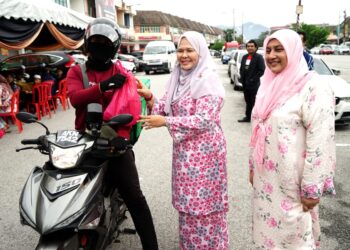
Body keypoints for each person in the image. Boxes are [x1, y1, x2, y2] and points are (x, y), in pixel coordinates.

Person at [66, 17, 158, 250]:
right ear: (87, 43)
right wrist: (102, 88)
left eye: (105, 42)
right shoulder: (77, 72)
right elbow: (75, 99)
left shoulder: (122, 72)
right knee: (69, 189)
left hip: (115, 141)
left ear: (114, 46)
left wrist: (147, 95)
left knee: (135, 197)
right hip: (84, 139)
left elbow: (134, 103)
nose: (99, 45)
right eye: (95, 41)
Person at [137, 31, 229, 249]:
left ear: (201, 52)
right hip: (185, 156)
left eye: (190, 50)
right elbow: (165, 109)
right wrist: (150, 97)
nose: (184, 55)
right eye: (180, 50)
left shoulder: (208, 79)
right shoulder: (177, 78)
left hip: (206, 156)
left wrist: (166, 122)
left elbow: (205, 119)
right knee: (188, 207)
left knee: (205, 208)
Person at [249, 29, 336, 249]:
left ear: (295, 51)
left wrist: (311, 188)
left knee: (295, 238)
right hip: (267, 182)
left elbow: (320, 139)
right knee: (268, 238)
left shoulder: (313, 86)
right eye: (268, 50)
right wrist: (252, 166)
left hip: (294, 186)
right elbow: (258, 130)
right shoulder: (267, 84)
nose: (271, 56)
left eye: (279, 49)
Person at [238, 39, 265, 123]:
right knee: (247, 101)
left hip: (254, 84)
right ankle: (248, 116)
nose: (250, 48)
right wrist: (242, 79)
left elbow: (262, 70)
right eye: (248, 46)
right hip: (245, 84)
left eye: (252, 46)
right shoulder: (245, 57)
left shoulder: (259, 57)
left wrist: (253, 79)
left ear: (256, 47)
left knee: (254, 102)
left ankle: (256, 118)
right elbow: (242, 68)